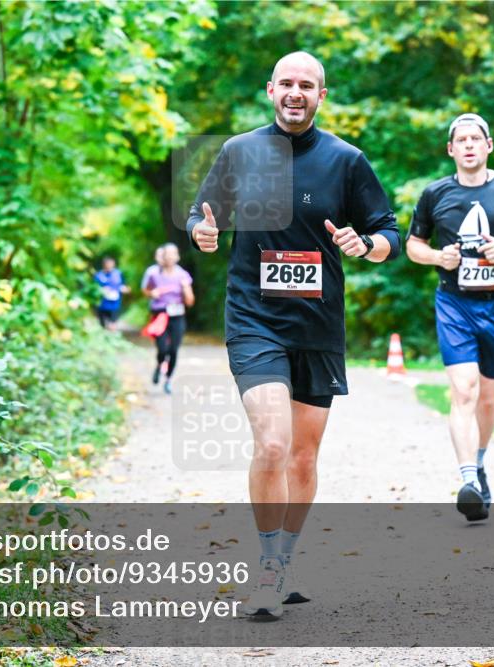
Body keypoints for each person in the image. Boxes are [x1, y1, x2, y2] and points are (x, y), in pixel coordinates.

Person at [186, 51, 400, 619]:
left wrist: (365, 244)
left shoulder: (346, 160)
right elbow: (201, 214)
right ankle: (267, 567)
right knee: (274, 444)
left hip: (317, 326)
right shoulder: (239, 151)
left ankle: (284, 558)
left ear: (321, 96)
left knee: (303, 458)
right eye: (287, 83)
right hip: (253, 319)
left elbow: (389, 233)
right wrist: (202, 231)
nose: (295, 92)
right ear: (270, 89)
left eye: (307, 85)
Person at [405, 113, 494, 522]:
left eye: (475, 139)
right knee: (464, 390)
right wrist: (438, 256)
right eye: (461, 140)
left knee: (487, 396)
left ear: (489, 145)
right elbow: (414, 245)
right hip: (455, 303)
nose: (468, 145)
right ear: (450, 149)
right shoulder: (435, 193)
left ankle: (480, 463)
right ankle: (468, 480)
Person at [141, 243, 194, 394]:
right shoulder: (154, 273)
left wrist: (185, 288)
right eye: (167, 254)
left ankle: (169, 379)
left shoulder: (183, 275)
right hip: (160, 315)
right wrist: (152, 293)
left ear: (177, 256)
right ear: (162, 257)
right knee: (163, 349)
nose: (170, 257)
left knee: (173, 350)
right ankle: (159, 365)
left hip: (177, 316)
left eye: (173, 254)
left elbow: (190, 302)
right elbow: (145, 290)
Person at [94, 256, 130, 331]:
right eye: (108, 265)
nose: (110, 267)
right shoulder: (98, 276)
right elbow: (93, 289)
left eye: (111, 265)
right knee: (103, 326)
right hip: (102, 305)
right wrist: (101, 290)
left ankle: (113, 332)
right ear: (104, 265)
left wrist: (124, 289)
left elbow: (125, 285)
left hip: (115, 304)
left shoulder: (118, 274)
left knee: (113, 325)